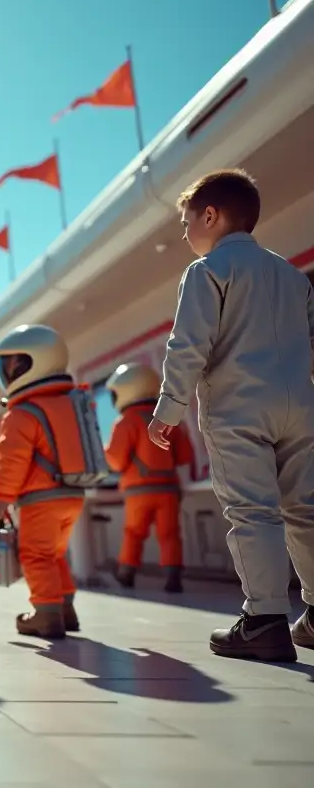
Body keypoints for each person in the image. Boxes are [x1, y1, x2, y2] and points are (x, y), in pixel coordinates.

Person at [147, 169, 314, 662]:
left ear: (211, 215)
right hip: (300, 408)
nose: (184, 233)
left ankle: (263, 620)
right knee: (305, 509)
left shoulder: (207, 272)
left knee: (252, 511)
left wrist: (168, 409)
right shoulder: (289, 274)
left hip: (238, 409)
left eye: (186, 221)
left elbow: (188, 346)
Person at [0, 324, 86, 639]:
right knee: (54, 554)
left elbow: (12, 460)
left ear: (36, 363)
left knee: (35, 555)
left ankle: (45, 613)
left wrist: (2, 498)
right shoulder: (71, 404)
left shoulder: (22, 413)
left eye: (14, 365)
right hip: (72, 494)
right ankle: (66, 609)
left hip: (40, 498)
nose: (8, 372)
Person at [105, 362, 194, 593]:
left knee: (134, 533)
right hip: (168, 490)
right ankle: (173, 578)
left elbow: (115, 461)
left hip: (138, 492)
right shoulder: (169, 418)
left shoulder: (125, 422)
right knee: (170, 534)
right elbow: (185, 456)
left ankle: (126, 574)